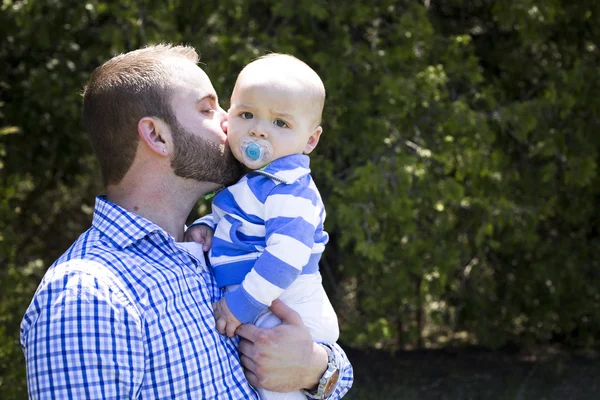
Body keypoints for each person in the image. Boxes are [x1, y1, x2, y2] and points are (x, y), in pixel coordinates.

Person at [19, 44, 353, 399]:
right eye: (209, 109)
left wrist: (316, 369)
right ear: (157, 136)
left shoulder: (209, 246)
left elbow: (333, 367)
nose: (230, 121)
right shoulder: (87, 297)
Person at [185, 54, 339, 400]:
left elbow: (284, 258)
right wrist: (208, 225)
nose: (258, 129)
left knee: (274, 389)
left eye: (280, 123)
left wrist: (240, 306)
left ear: (310, 140)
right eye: (247, 114)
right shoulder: (254, 181)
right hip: (265, 302)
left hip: (285, 305)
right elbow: (238, 222)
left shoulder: (289, 189)